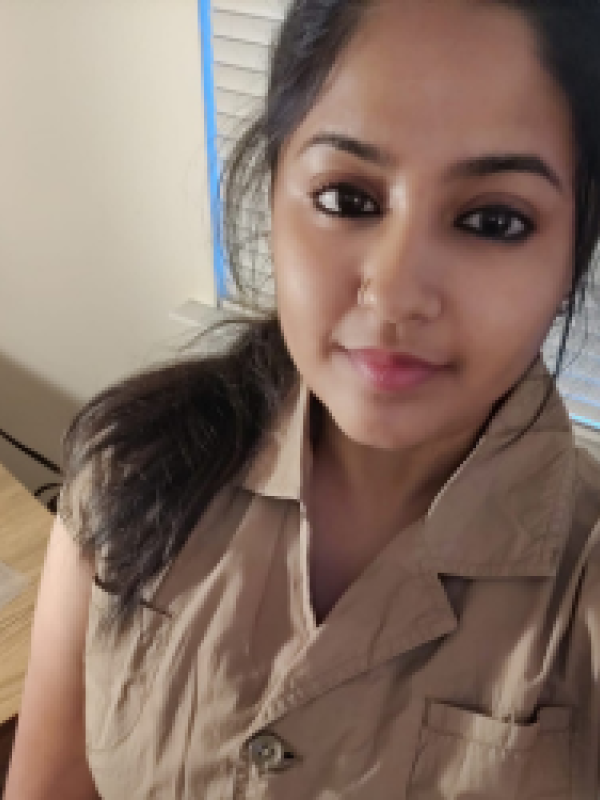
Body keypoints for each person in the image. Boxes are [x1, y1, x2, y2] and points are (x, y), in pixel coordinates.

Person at [5, 0, 600, 797]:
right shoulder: (129, 469)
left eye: (493, 220)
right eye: (347, 200)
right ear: (273, 197)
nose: (393, 293)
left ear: (571, 258)